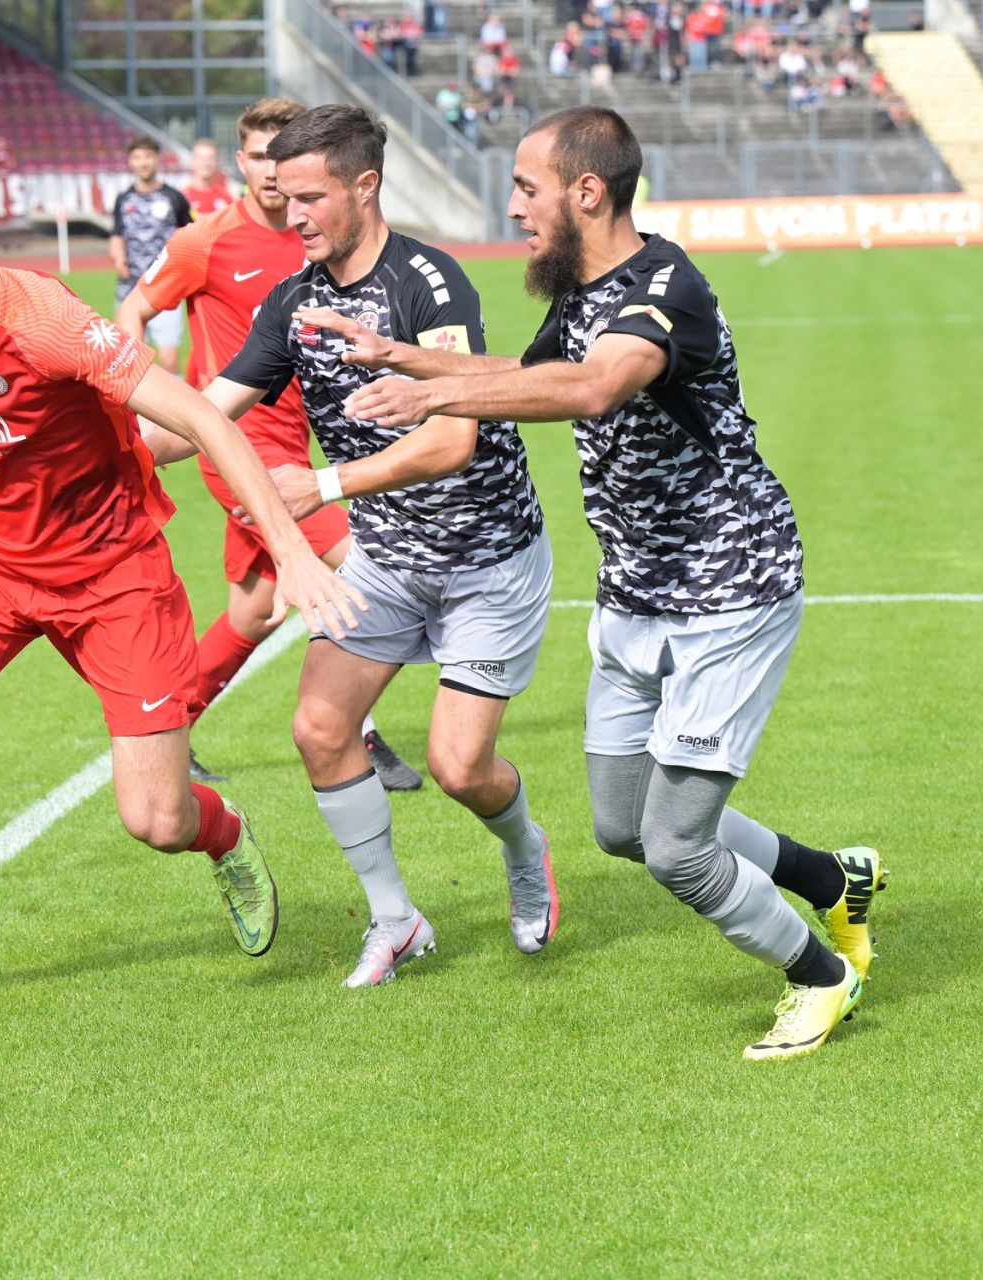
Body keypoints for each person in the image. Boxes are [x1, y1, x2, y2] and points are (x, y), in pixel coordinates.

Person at [343, 107, 886, 1058]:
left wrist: (433, 394)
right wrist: (408, 356)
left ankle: (820, 974)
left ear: (586, 192)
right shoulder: (583, 292)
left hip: (728, 590)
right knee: (622, 825)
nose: (514, 208)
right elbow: (537, 371)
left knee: (678, 849)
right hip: (636, 593)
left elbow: (593, 387)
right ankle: (831, 879)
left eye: (528, 189)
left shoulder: (665, 287)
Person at [0, 189, 365, 1019]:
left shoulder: (46, 324)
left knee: (158, 820)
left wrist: (291, 550)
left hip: (113, 574)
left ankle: (222, 832)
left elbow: (205, 419)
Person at [195, 104, 562, 987]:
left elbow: (453, 439)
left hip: (485, 558)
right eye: (284, 198)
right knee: (321, 728)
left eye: (311, 197)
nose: (292, 215)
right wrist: (102, 428)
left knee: (459, 768)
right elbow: (203, 415)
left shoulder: (429, 282)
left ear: (366, 186)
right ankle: (396, 919)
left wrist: (323, 486)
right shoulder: (294, 301)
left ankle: (526, 849)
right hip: (388, 559)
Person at [115, 98, 422, 792]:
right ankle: (356, 734)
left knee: (253, 611)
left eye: (283, 158)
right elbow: (134, 307)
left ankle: (169, 729)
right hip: (237, 449)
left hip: (299, 448)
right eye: (259, 157)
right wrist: (145, 399)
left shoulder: (319, 237)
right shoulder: (205, 243)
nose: (272, 173)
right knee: (373, 572)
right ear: (241, 162)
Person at [108, 135, 193, 375]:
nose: (143, 162)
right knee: (130, 360)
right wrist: (118, 257)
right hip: (129, 290)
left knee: (169, 360)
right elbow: (116, 234)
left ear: (157, 159)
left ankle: (175, 400)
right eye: (137, 157)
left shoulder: (174, 198)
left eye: (147, 156)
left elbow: (190, 234)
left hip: (165, 288)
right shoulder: (123, 199)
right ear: (130, 162)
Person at [181, 138, 234, 218]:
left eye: (211, 158)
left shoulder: (227, 197)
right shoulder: (182, 197)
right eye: (201, 158)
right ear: (193, 162)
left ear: (217, 162)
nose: (206, 163)